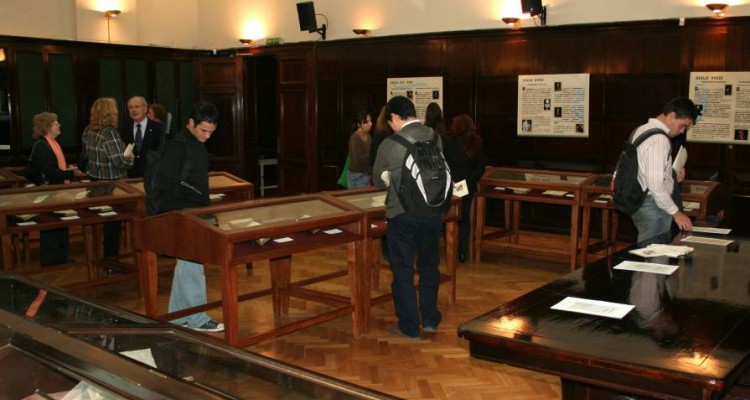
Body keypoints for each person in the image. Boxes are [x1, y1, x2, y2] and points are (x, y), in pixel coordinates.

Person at [373, 96, 444, 338]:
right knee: (429, 266)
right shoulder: (435, 137)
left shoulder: (389, 144)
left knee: (402, 269)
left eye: (388, 120)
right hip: (433, 212)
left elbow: (377, 182)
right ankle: (430, 319)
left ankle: (409, 325)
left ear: (394, 117)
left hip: (401, 214)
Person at [152, 101, 224, 332]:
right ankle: (197, 319)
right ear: (191, 123)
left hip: (193, 212)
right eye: (203, 130)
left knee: (186, 267)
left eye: (211, 132)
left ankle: (177, 316)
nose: (207, 136)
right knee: (192, 267)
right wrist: (186, 213)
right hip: (181, 214)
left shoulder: (195, 143)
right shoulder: (178, 146)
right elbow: (168, 186)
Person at [630, 97, 697, 243]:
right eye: (683, 126)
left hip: (644, 201)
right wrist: (676, 213)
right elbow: (655, 185)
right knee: (655, 258)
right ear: (672, 116)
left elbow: (645, 170)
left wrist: (673, 175)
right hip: (653, 204)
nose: (682, 131)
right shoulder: (659, 139)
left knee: (651, 255)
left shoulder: (642, 129)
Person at [28, 112, 84, 266]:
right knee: (51, 225)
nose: (59, 125)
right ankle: (51, 260)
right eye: (55, 123)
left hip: (59, 190)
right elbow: (49, 171)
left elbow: (55, 167)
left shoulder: (53, 143)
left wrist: (67, 169)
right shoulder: (42, 145)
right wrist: (70, 173)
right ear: (47, 127)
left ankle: (61, 257)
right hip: (49, 191)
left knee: (62, 223)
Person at [81, 97, 134, 258]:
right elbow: (120, 161)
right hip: (112, 185)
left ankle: (100, 258)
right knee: (113, 224)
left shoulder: (88, 131)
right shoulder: (109, 132)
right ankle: (111, 260)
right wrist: (130, 156)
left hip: (94, 182)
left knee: (103, 222)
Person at [443, 114, 486, 263]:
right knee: (465, 219)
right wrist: (467, 183)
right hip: (466, 186)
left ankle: (448, 248)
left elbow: (443, 164)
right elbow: (480, 168)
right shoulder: (475, 141)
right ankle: (462, 252)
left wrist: (451, 181)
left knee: (447, 218)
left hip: (450, 185)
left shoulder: (447, 140)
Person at [122, 96, 163, 178]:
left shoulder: (158, 128)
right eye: (130, 107)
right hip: (131, 178)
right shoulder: (124, 129)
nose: (133, 110)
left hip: (153, 176)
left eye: (137, 106)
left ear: (145, 109)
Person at [347, 110, 372, 188]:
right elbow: (357, 160)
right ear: (359, 124)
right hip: (356, 175)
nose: (370, 124)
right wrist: (372, 154)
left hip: (367, 174)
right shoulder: (354, 138)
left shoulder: (369, 136)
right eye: (366, 122)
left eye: (370, 121)